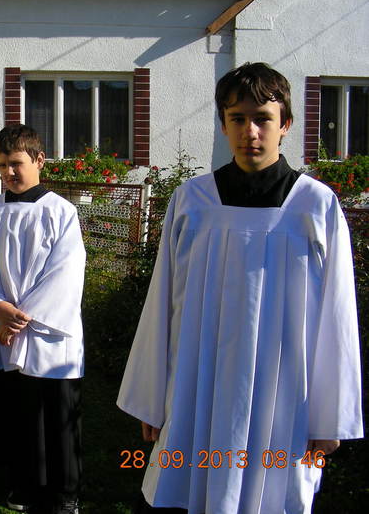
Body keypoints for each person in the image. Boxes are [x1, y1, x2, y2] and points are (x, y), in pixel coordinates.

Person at [117, 62, 363, 513]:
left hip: (284, 388)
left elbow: (338, 314)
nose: (250, 131)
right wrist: (150, 399)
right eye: (237, 118)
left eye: (263, 118)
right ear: (223, 125)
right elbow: (161, 300)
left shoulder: (315, 206)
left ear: (285, 124)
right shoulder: (193, 201)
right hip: (198, 379)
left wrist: (331, 416)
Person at [0, 124, 86, 514]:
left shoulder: (61, 213)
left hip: (47, 333)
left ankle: (65, 494)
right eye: (2, 165)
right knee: (16, 411)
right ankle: (23, 483)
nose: (9, 173)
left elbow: (65, 272)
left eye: (16, 163)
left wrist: (18, 319)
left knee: (55, 411)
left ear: (39, 160)